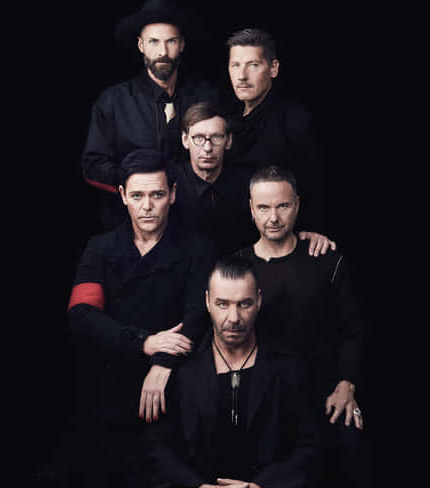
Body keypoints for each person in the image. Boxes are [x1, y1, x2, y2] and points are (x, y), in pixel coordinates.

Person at [67, 148, 218, 487]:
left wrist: (163, 362)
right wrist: (144, 343)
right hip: (107, 392)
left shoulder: (199, 250)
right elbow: (81, 315)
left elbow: (199, 314)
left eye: (157, 195)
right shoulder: (99, 249)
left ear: (173, 194)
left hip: (173, 393)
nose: (147, 206)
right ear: (123, 196)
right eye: (137, 196)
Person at [234, 166, 368, 487]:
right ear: (251, 208)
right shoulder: (237, 268)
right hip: (263, 395)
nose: (273, 217)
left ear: (297, 204)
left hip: (322, 391)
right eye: (263, 207)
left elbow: (352, 329)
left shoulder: (326, 259)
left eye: (282, 206)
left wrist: (346, 384)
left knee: (349, 447)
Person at [147, 255, 321, 488]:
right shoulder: (181, 368)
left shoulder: (288, 365)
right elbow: (158, 449)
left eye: (244, 304)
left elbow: (310, 446)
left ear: (259, 301)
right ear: (207, 302)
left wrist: (260, 487)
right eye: (222, 304)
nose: (233, 318)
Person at [82, 0, 220, 232]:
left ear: (182, 44)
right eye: (154, 42)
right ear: (141, 45)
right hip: (131, 226)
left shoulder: (206, 96)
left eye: (171, 41)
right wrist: (141, 181)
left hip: (196, 223)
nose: (163, 52)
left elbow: (224, 153)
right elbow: (93, 165)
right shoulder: (113, 101)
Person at [170, 101, 336, 257]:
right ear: (185, 140)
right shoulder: (170, 182)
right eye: (198, 138)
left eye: (216, 138)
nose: (207, 148)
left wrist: (311, 233)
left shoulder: (248, 181)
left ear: (228, 141)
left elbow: (278, 213)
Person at [225, 28, 325, 231]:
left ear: (273, 68)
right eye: (235, 65)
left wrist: (313, 230)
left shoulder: (294, 121)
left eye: (253, 65)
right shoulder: (225, 117)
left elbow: (313, 187)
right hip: (230, 231)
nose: (242, 76)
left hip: (280, 233)